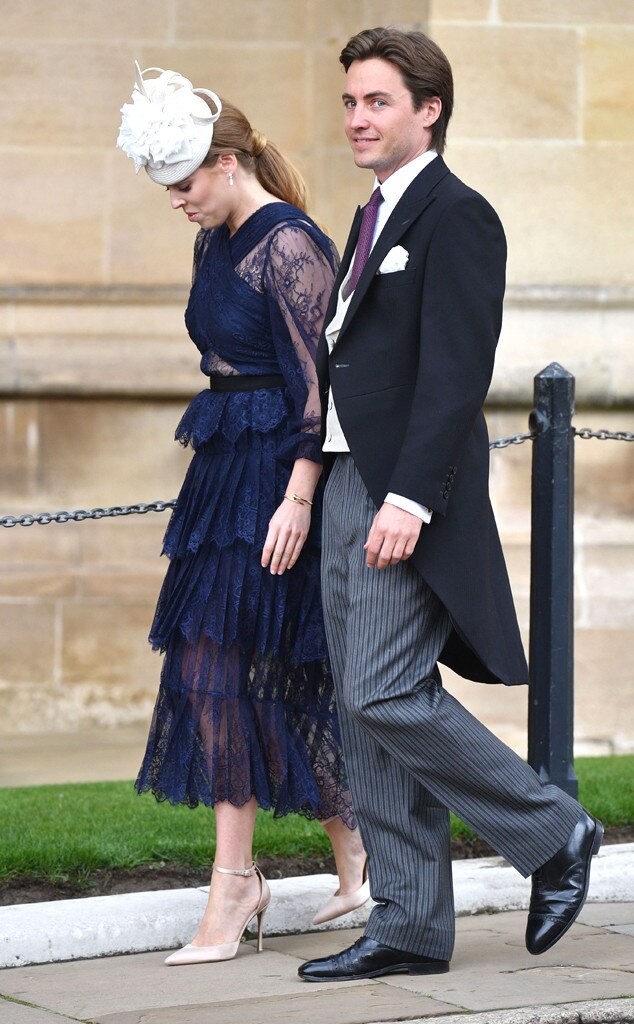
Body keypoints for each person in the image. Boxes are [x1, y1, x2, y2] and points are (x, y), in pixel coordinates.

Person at [298, 27, 602, 983]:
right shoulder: (371, 215)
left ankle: (554, 831)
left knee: (387, 688)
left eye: (377, 101)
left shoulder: (457, 215)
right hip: (349, 479)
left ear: (429, 110)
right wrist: (323, 480)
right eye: (350, 101)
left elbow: (454, 374)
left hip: (402, 495)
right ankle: (411, 923)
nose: (357, 118)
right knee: (361, 708)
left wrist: (407, 500)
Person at [116, 63, 369, 967]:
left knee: (224, 664)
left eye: (184, 183)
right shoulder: (215, 238)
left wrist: (299, 498)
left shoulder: (290, 244)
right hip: (223, 470)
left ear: (228, 161)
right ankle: (355, 856)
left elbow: (320, 388)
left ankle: (234, 892)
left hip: (277, 478)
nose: (176, 201)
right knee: (248, 667)